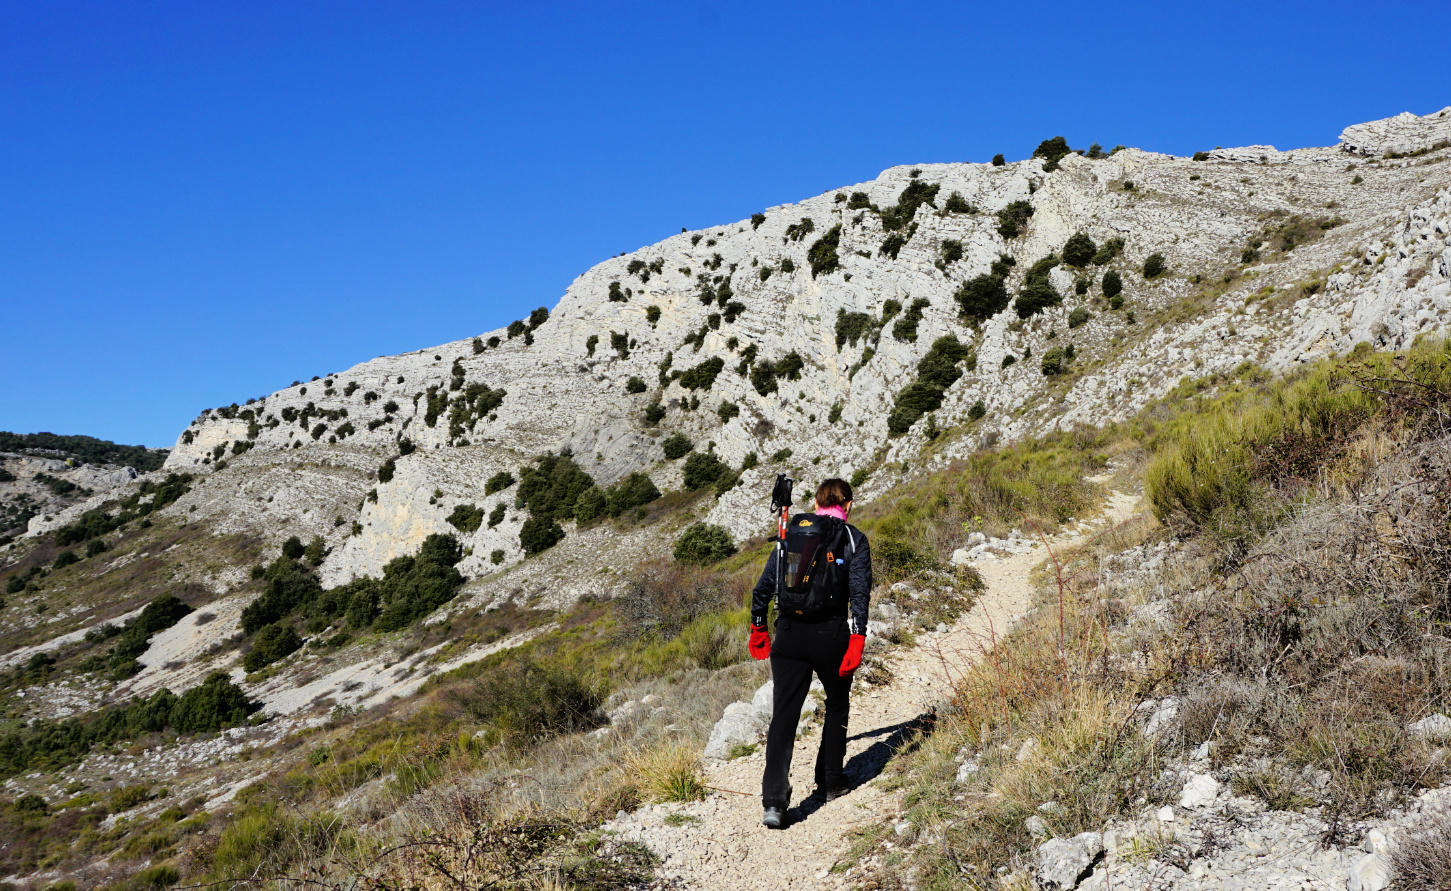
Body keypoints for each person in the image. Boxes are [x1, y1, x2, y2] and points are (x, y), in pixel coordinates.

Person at [748, 477, 872, 829]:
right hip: (830, 636)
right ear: (847, 504)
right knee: (836, 704)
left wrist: (758, 628)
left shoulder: (791, 532)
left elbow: (763, 588)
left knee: (784, 716)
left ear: (817, 503)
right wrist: (858, 636)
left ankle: (773, 801)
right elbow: (860, 593)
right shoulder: (852, 538)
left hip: (787, 636)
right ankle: (831, 779)